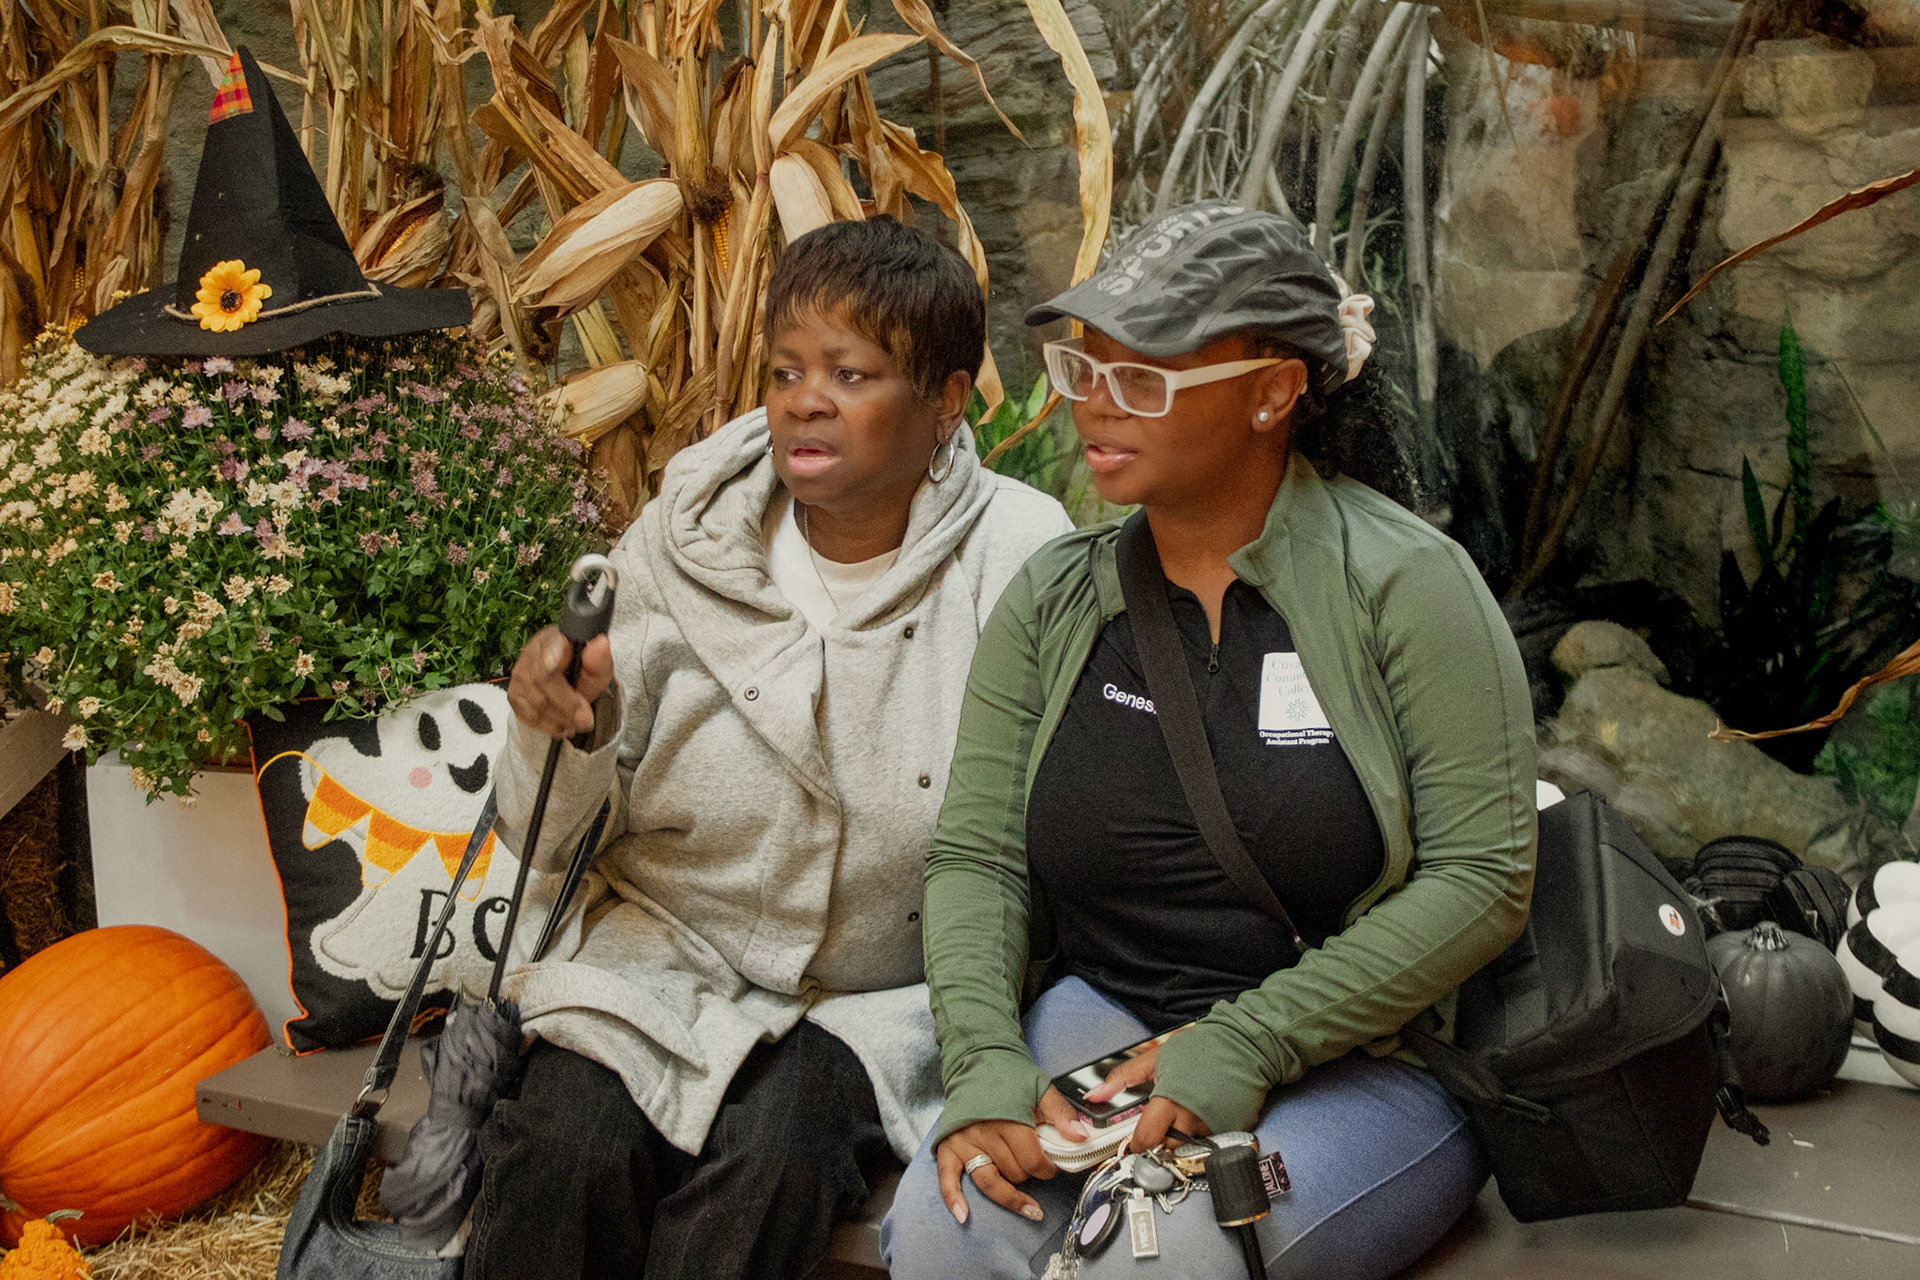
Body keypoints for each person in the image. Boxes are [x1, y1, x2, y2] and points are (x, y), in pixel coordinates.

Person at [883, 201, 1538, 1278]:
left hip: (1365, 1055)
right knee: (948, 1233)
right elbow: (978, 856)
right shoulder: (1055, 596)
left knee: (1164, 1259)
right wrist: (989, 1062)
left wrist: (1247, 1037)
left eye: (1142, 379)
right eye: (1084, 368)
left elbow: (1483, 876)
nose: (1094, 404)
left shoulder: (1408, 586)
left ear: (1275, 392)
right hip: (1111, 1017)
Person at [472, 217, 1073, 1280]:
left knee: (777, 1151)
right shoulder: (678, 541)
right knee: (566, 1140)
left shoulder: (1021, 555)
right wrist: (565, 726)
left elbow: (1049, 824)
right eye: (788, 368)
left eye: (851, 372)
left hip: (886, 987)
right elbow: (550, 838)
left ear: (946, 402)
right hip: (669, 948)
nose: (805, 398)